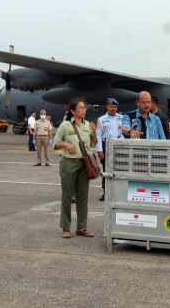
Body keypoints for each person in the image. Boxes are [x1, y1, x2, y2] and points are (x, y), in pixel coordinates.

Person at [53, 98, 97, 239]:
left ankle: (82, 227)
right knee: (67, 196)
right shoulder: (65, 125)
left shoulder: (87, 125)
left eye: (85, 108)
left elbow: (92, 143)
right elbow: (55, 144)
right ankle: (66, 227)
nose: (84, 110)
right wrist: (65, 145)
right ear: (73, 111)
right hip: (69, 163)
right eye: (81, 108)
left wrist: (94, 132)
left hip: (84, 165)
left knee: (83, 197)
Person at [96, 98, 123, 201]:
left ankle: (118, 192)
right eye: (111, 106)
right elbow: (98, 135)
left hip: (118, 144)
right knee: (106, 170)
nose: (113, 109)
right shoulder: (101, 119)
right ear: (107, 107)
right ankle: (105, 192)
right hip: (106, 144)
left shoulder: (121, 118)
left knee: (119, 168)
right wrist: (100, 150)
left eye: (115, 107)